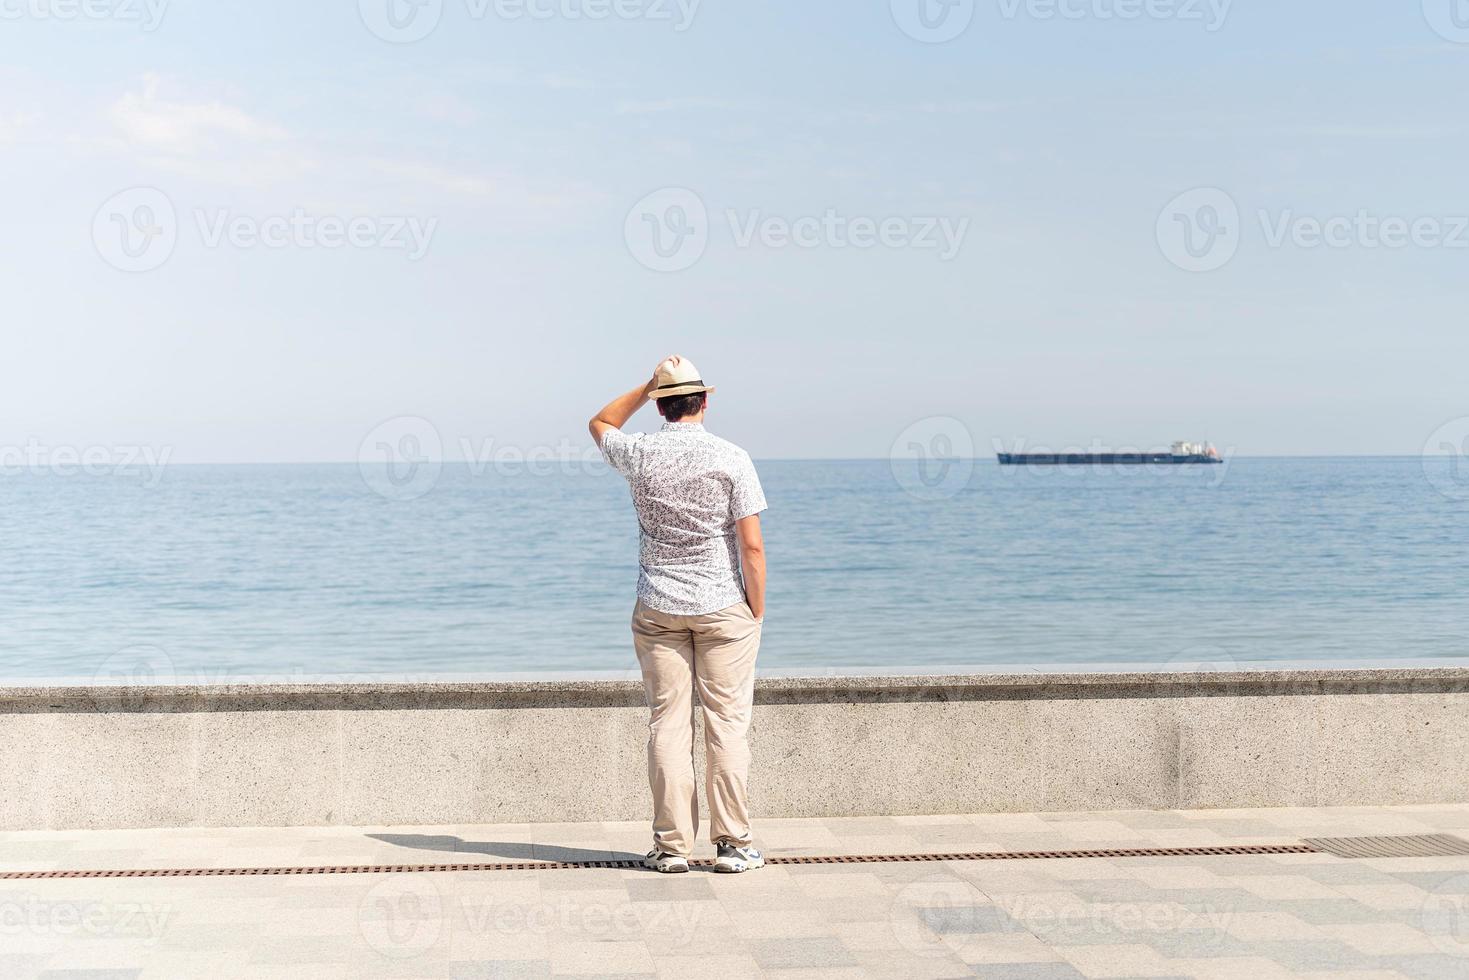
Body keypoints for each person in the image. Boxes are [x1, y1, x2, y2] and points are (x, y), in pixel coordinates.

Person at [589, 355, 768, 874]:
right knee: (727, 726)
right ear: (705, 401)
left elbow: (600, 423)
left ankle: (672, 849)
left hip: (658, 606)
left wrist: (645, 387)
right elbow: (751, 548)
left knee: (667, 725)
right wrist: (755, 608)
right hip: (722, 607)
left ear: (661, 405)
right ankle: (733, 845)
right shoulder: (732, 457)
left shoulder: (640, 452)